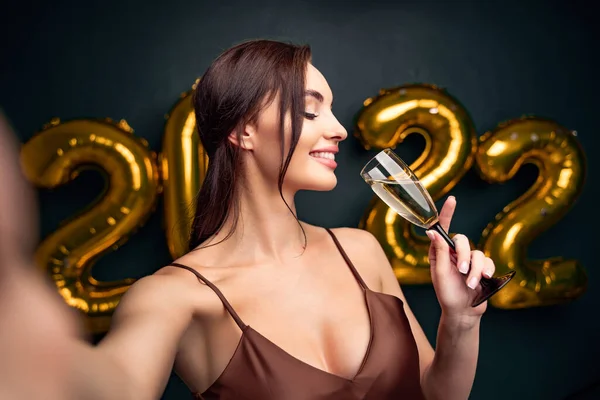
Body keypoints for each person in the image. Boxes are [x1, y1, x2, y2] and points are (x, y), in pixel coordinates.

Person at [0, 39, 495, 400]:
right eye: (310, 111)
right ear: (242, 131)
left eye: (333, 112)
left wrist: (459, 321)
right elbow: (114, 384)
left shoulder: (360, 250)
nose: (339, 129)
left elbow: (438, 395)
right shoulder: (177, 295)